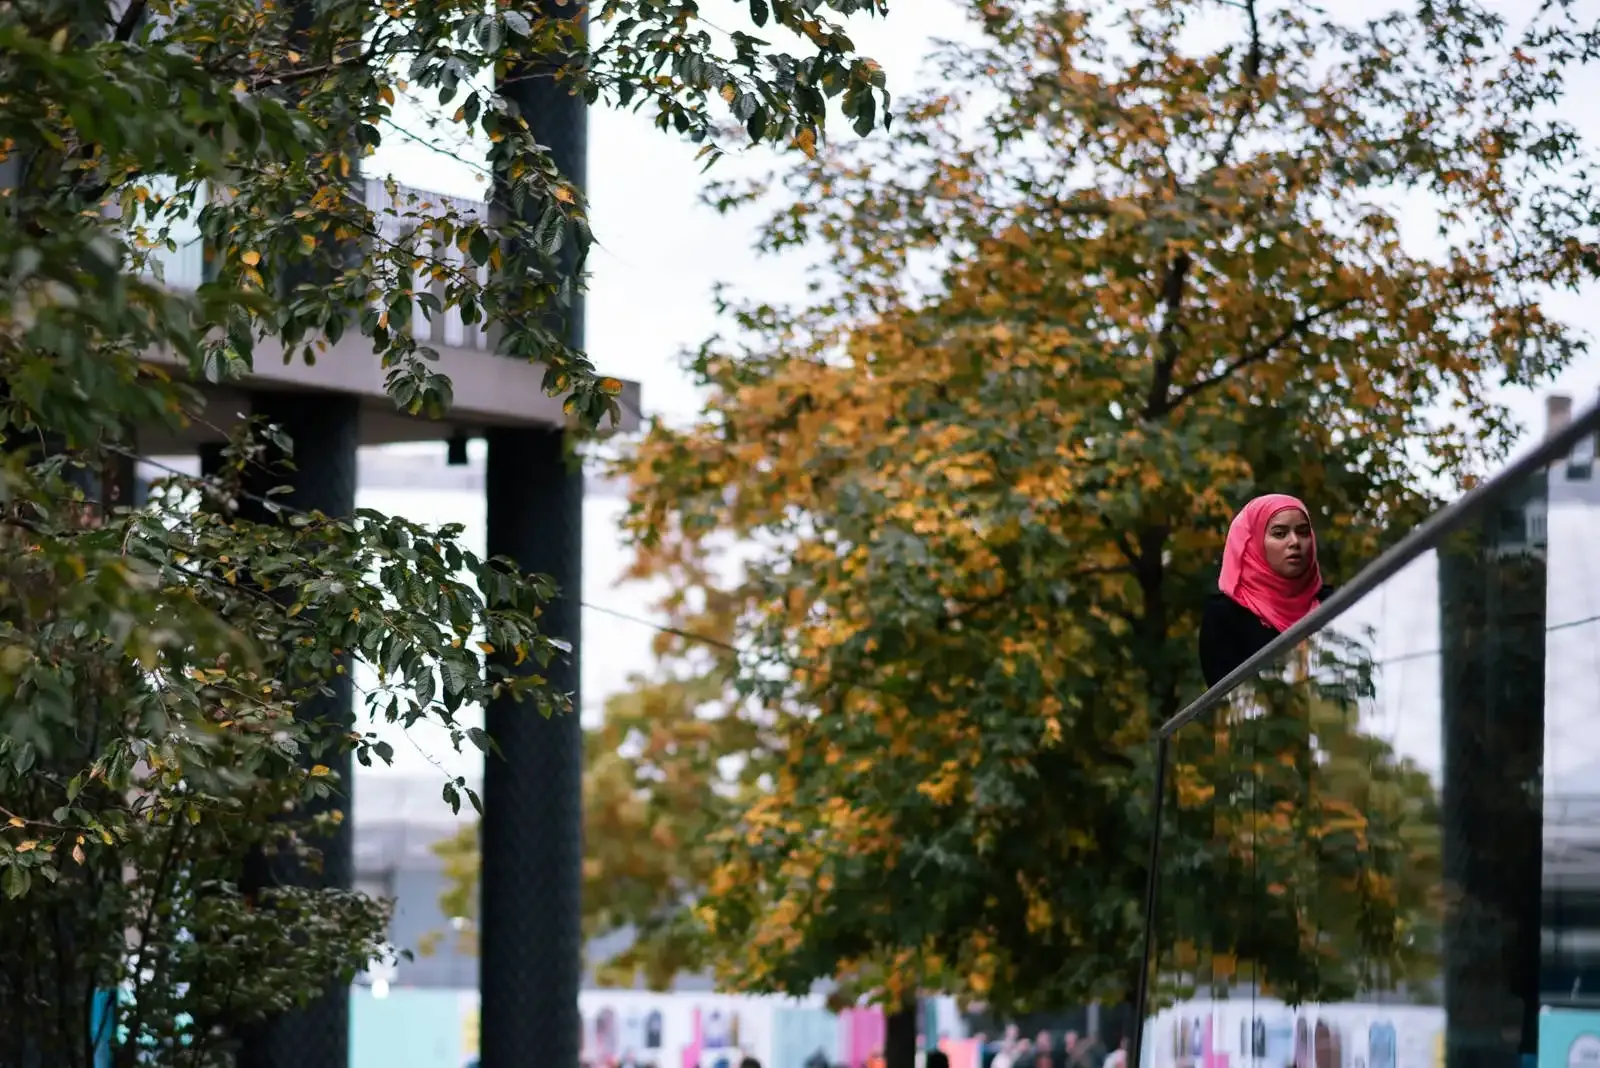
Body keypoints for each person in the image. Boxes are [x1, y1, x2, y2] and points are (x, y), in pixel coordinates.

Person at [1199, 493, 1332, 688]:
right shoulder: (1225, 615)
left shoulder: (1333, 603)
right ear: (1253, 543)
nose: (1295, 542)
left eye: (1303, 532)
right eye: (1280, 533)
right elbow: (1227, 703)